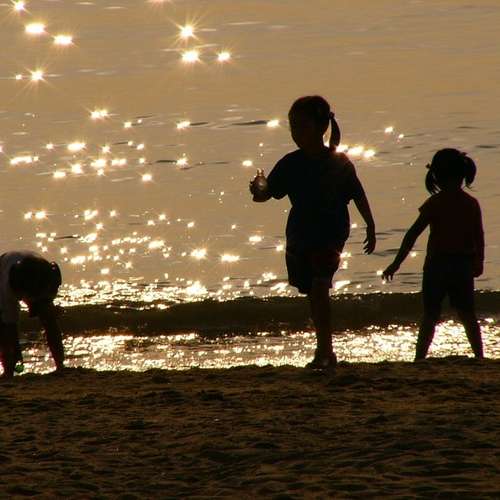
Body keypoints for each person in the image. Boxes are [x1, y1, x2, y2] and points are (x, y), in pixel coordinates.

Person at [249, 95, 376, 369]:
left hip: (330, 231)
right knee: (312, 290)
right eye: (292, 127)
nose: (296, 132)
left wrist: (370, 224)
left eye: (301, 126)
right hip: (301, 233)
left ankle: (325, 351)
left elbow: (357, 193)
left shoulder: (339, 162)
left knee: (319, 286)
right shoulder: (290, 163)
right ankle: (324, 347)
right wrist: (258, 189)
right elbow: (267, 195)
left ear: (321, 128)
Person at [382, 148, 484, 361]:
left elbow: (412, 234)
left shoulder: (435, 203)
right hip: (461, 265)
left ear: (437, 176)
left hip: (437, 265)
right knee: (467, 314)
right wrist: (479, 261)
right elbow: (479, 236)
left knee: (431, 315)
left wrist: (396, 263)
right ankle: (479, 357)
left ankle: (420, 358)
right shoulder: (470, 203)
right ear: (462, 175)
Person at [0, 251, 65, 378]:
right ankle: (8, 370)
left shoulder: (49, 277)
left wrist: (47, 309)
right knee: (5, 327)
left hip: (35, 269)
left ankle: (60, 364)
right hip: (4, 269)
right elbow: (10, 326)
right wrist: (15, 347)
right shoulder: (7, 289)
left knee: (48, 318)